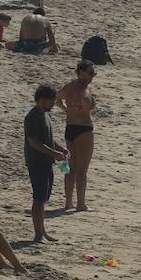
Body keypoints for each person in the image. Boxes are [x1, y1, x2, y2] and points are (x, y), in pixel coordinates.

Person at [25, 84, 67, 242]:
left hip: (46, 162)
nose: (53, 105)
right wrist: (54, 153)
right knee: (39, 199)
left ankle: (42, 231)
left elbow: (47, 139)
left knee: (43, 199)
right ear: (43, 100)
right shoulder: (33, 116)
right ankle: (38, 234)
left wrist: (60, 149)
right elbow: (34, 142)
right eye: (52, 101)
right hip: (37, 162)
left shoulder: (45, 115)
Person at [58, 60, 96, 212]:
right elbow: (86, 101)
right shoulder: (86, 89)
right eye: (90, 73)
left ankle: (68, 202)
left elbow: (57, 98)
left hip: (70, 128)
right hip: (84, 129)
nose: (92, 77)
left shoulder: (69, 86)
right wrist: (89, 105)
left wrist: (66, 109)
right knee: (82, 170)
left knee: (69, 168)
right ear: (81, 73)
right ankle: (81, 204)